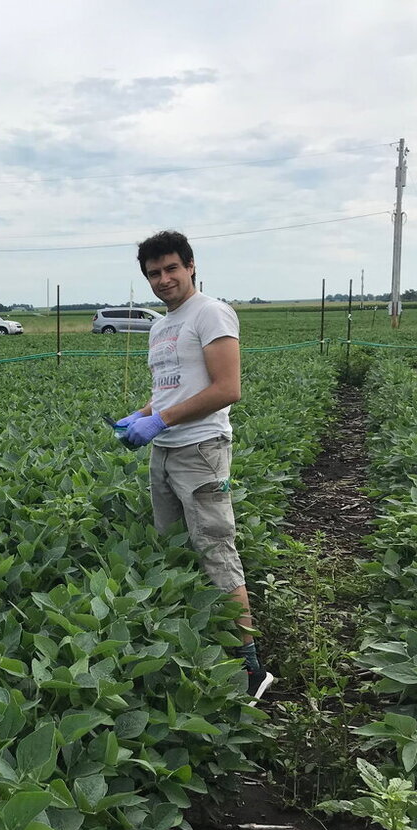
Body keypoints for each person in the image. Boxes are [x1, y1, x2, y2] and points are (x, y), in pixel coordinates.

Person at [116, 231, 274, 700]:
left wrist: (160, 418)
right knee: (175, 549)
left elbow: (227, 388)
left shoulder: (211, 312)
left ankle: (250, 668)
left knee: (215, 550)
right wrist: (143, 416)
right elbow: (172, 390)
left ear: (190, 266)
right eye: (153, 273)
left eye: (171, 269)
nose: (163, 279)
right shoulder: (162, 325)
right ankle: (195, 644)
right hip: (164, 449)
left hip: (201, 450)